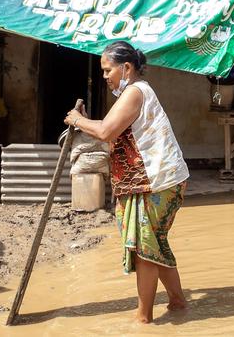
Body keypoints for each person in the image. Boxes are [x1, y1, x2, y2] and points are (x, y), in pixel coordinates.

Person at [64, 41, 190, 324]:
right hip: (156, 180)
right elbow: (110, 127)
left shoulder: (134, 92)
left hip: (155, 182)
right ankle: (177, 301)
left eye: (108, 70)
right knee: (155, 242)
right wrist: (85, 121)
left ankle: (143, 318)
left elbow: (107, 131)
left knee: (145, 249)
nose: (105, 76)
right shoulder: (134, 92)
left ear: (127, 68)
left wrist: (76, 120)